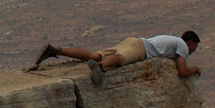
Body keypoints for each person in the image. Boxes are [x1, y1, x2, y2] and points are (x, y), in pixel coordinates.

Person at [31, 30, 201, 82]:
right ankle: (100, 68)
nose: (193, 50)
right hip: (141, 48)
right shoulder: (182, 45)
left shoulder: (172, 41)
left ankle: (55, 50)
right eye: (194, 47)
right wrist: (194, 69)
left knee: (94, 54)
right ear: (190, 42)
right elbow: (182, 72)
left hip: (132, 40)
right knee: (121, 59)